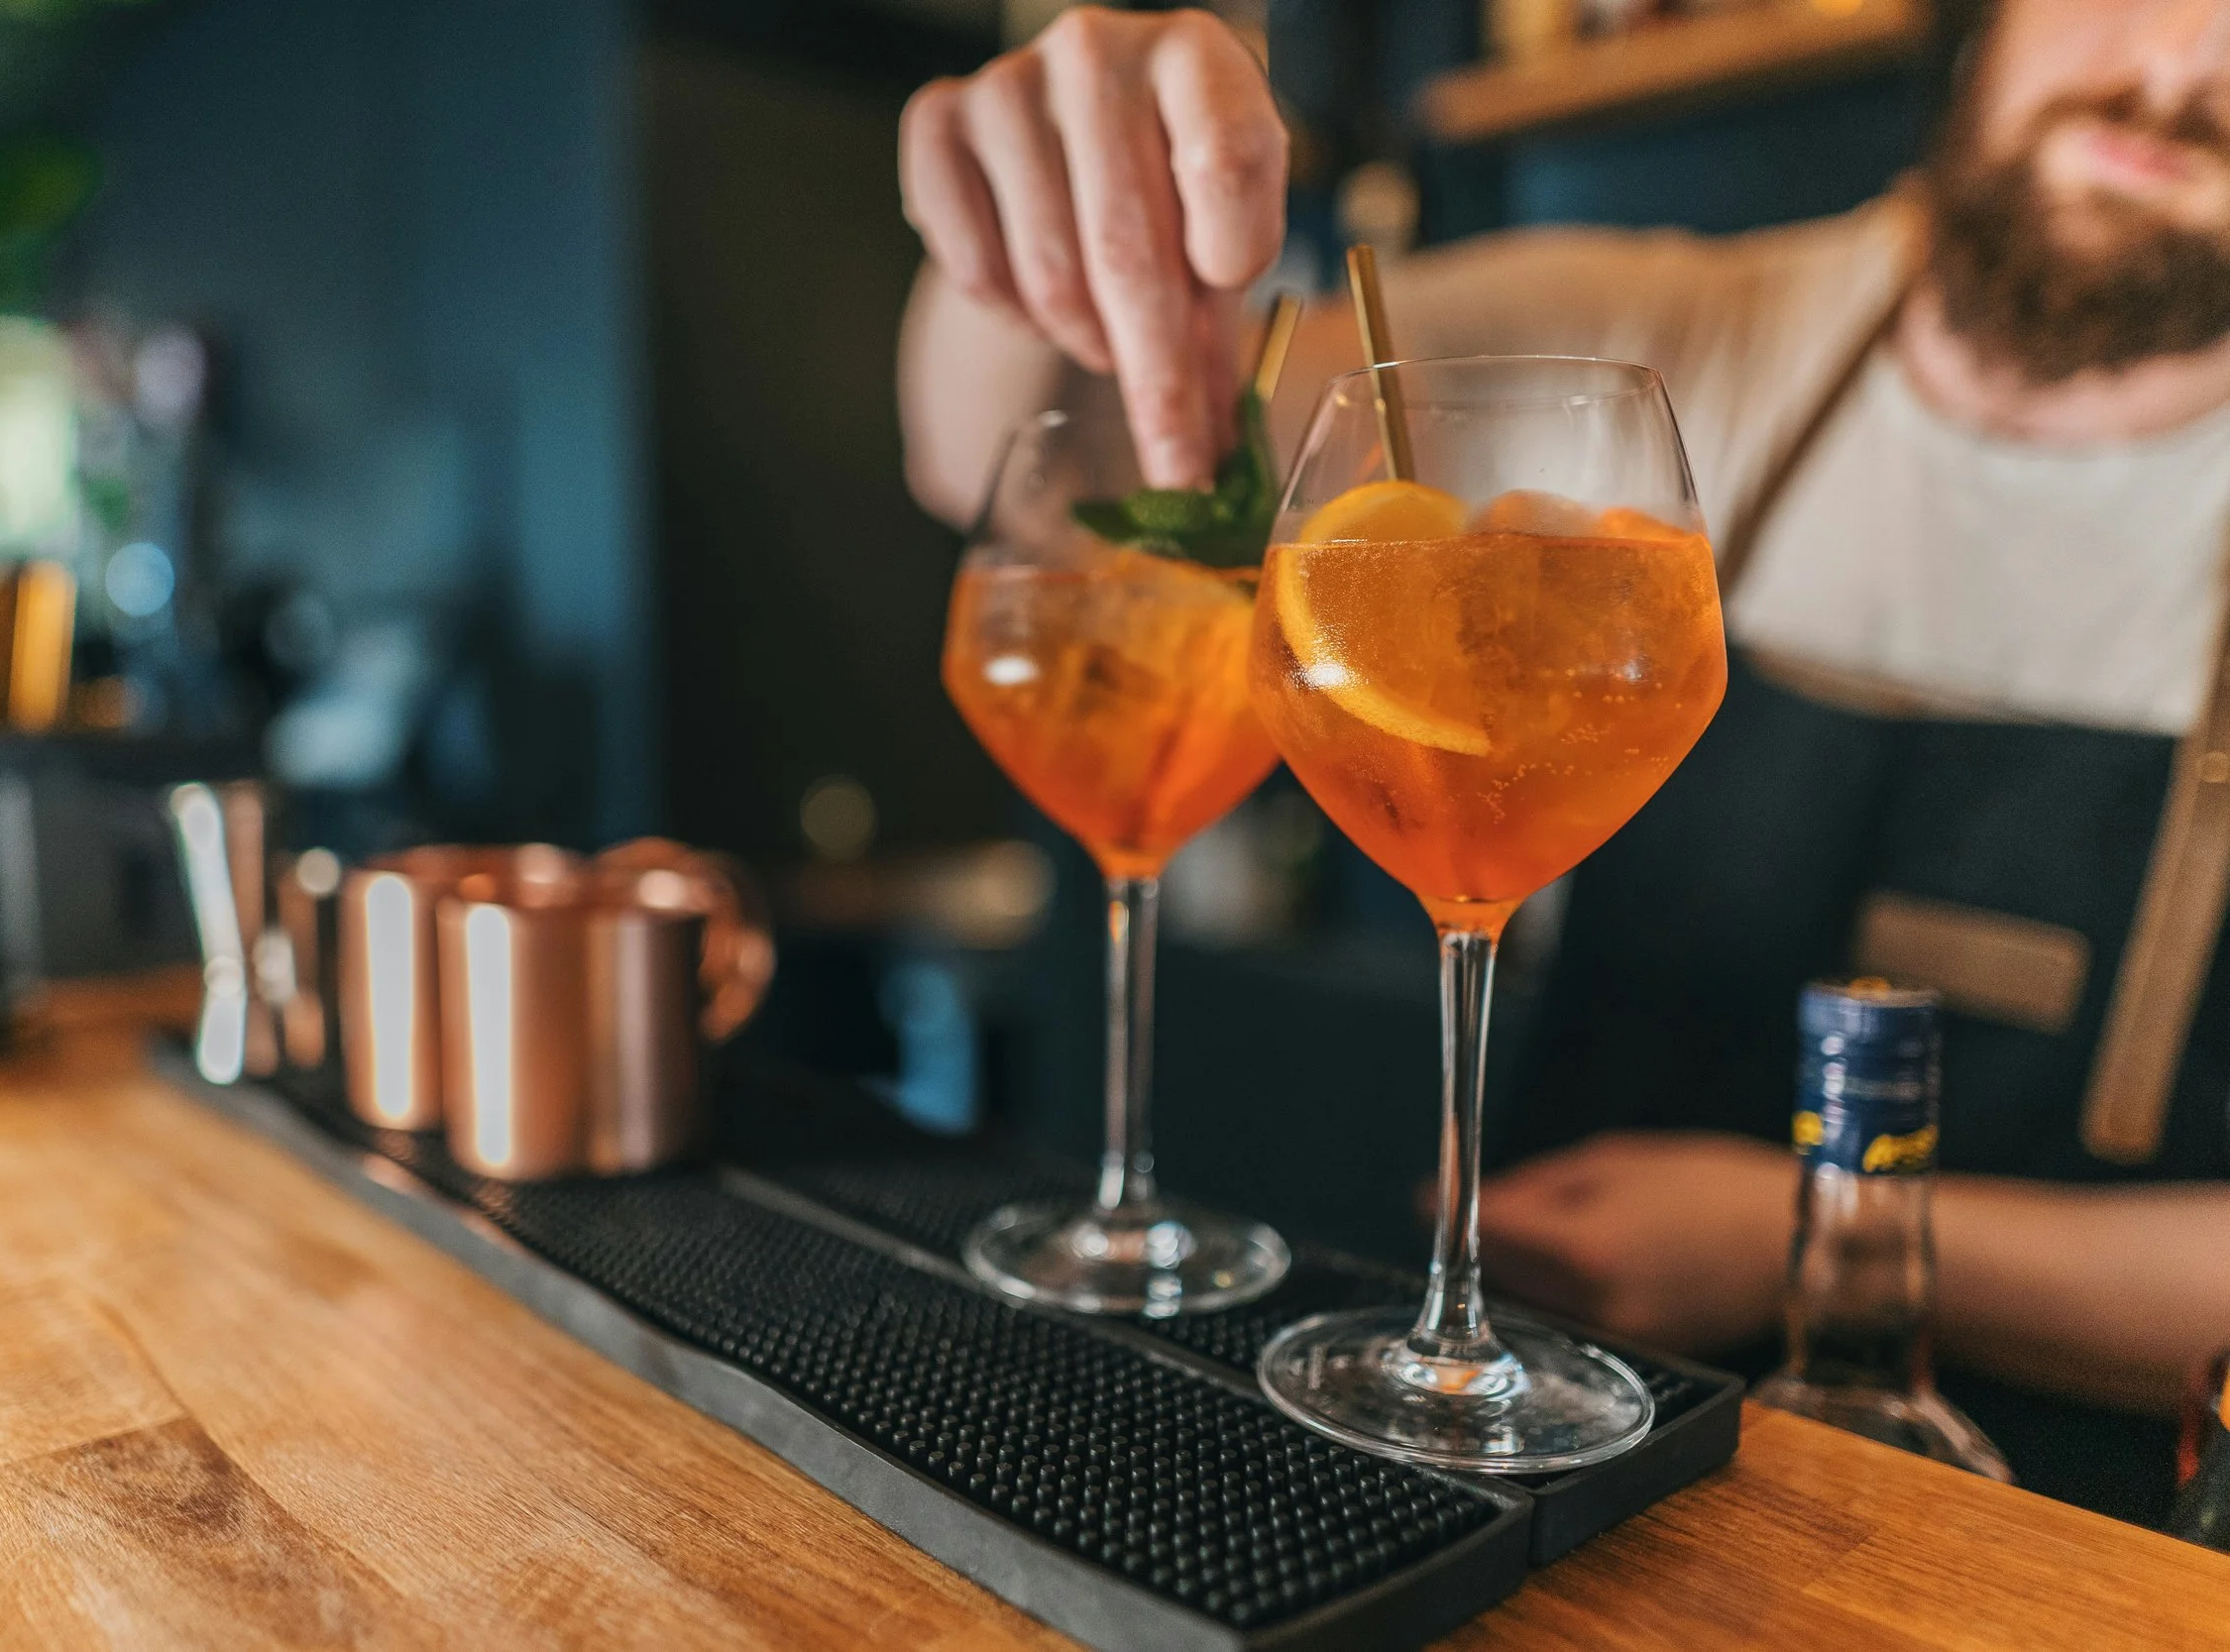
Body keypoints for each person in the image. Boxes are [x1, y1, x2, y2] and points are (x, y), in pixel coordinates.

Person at [897, 0, 2230, 1526]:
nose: (2187, 66)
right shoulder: (1677, 335)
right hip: (1557, 1479)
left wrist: (1794, 1232)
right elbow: (1026, 458)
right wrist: (1055, 214)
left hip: (2088, 1534)